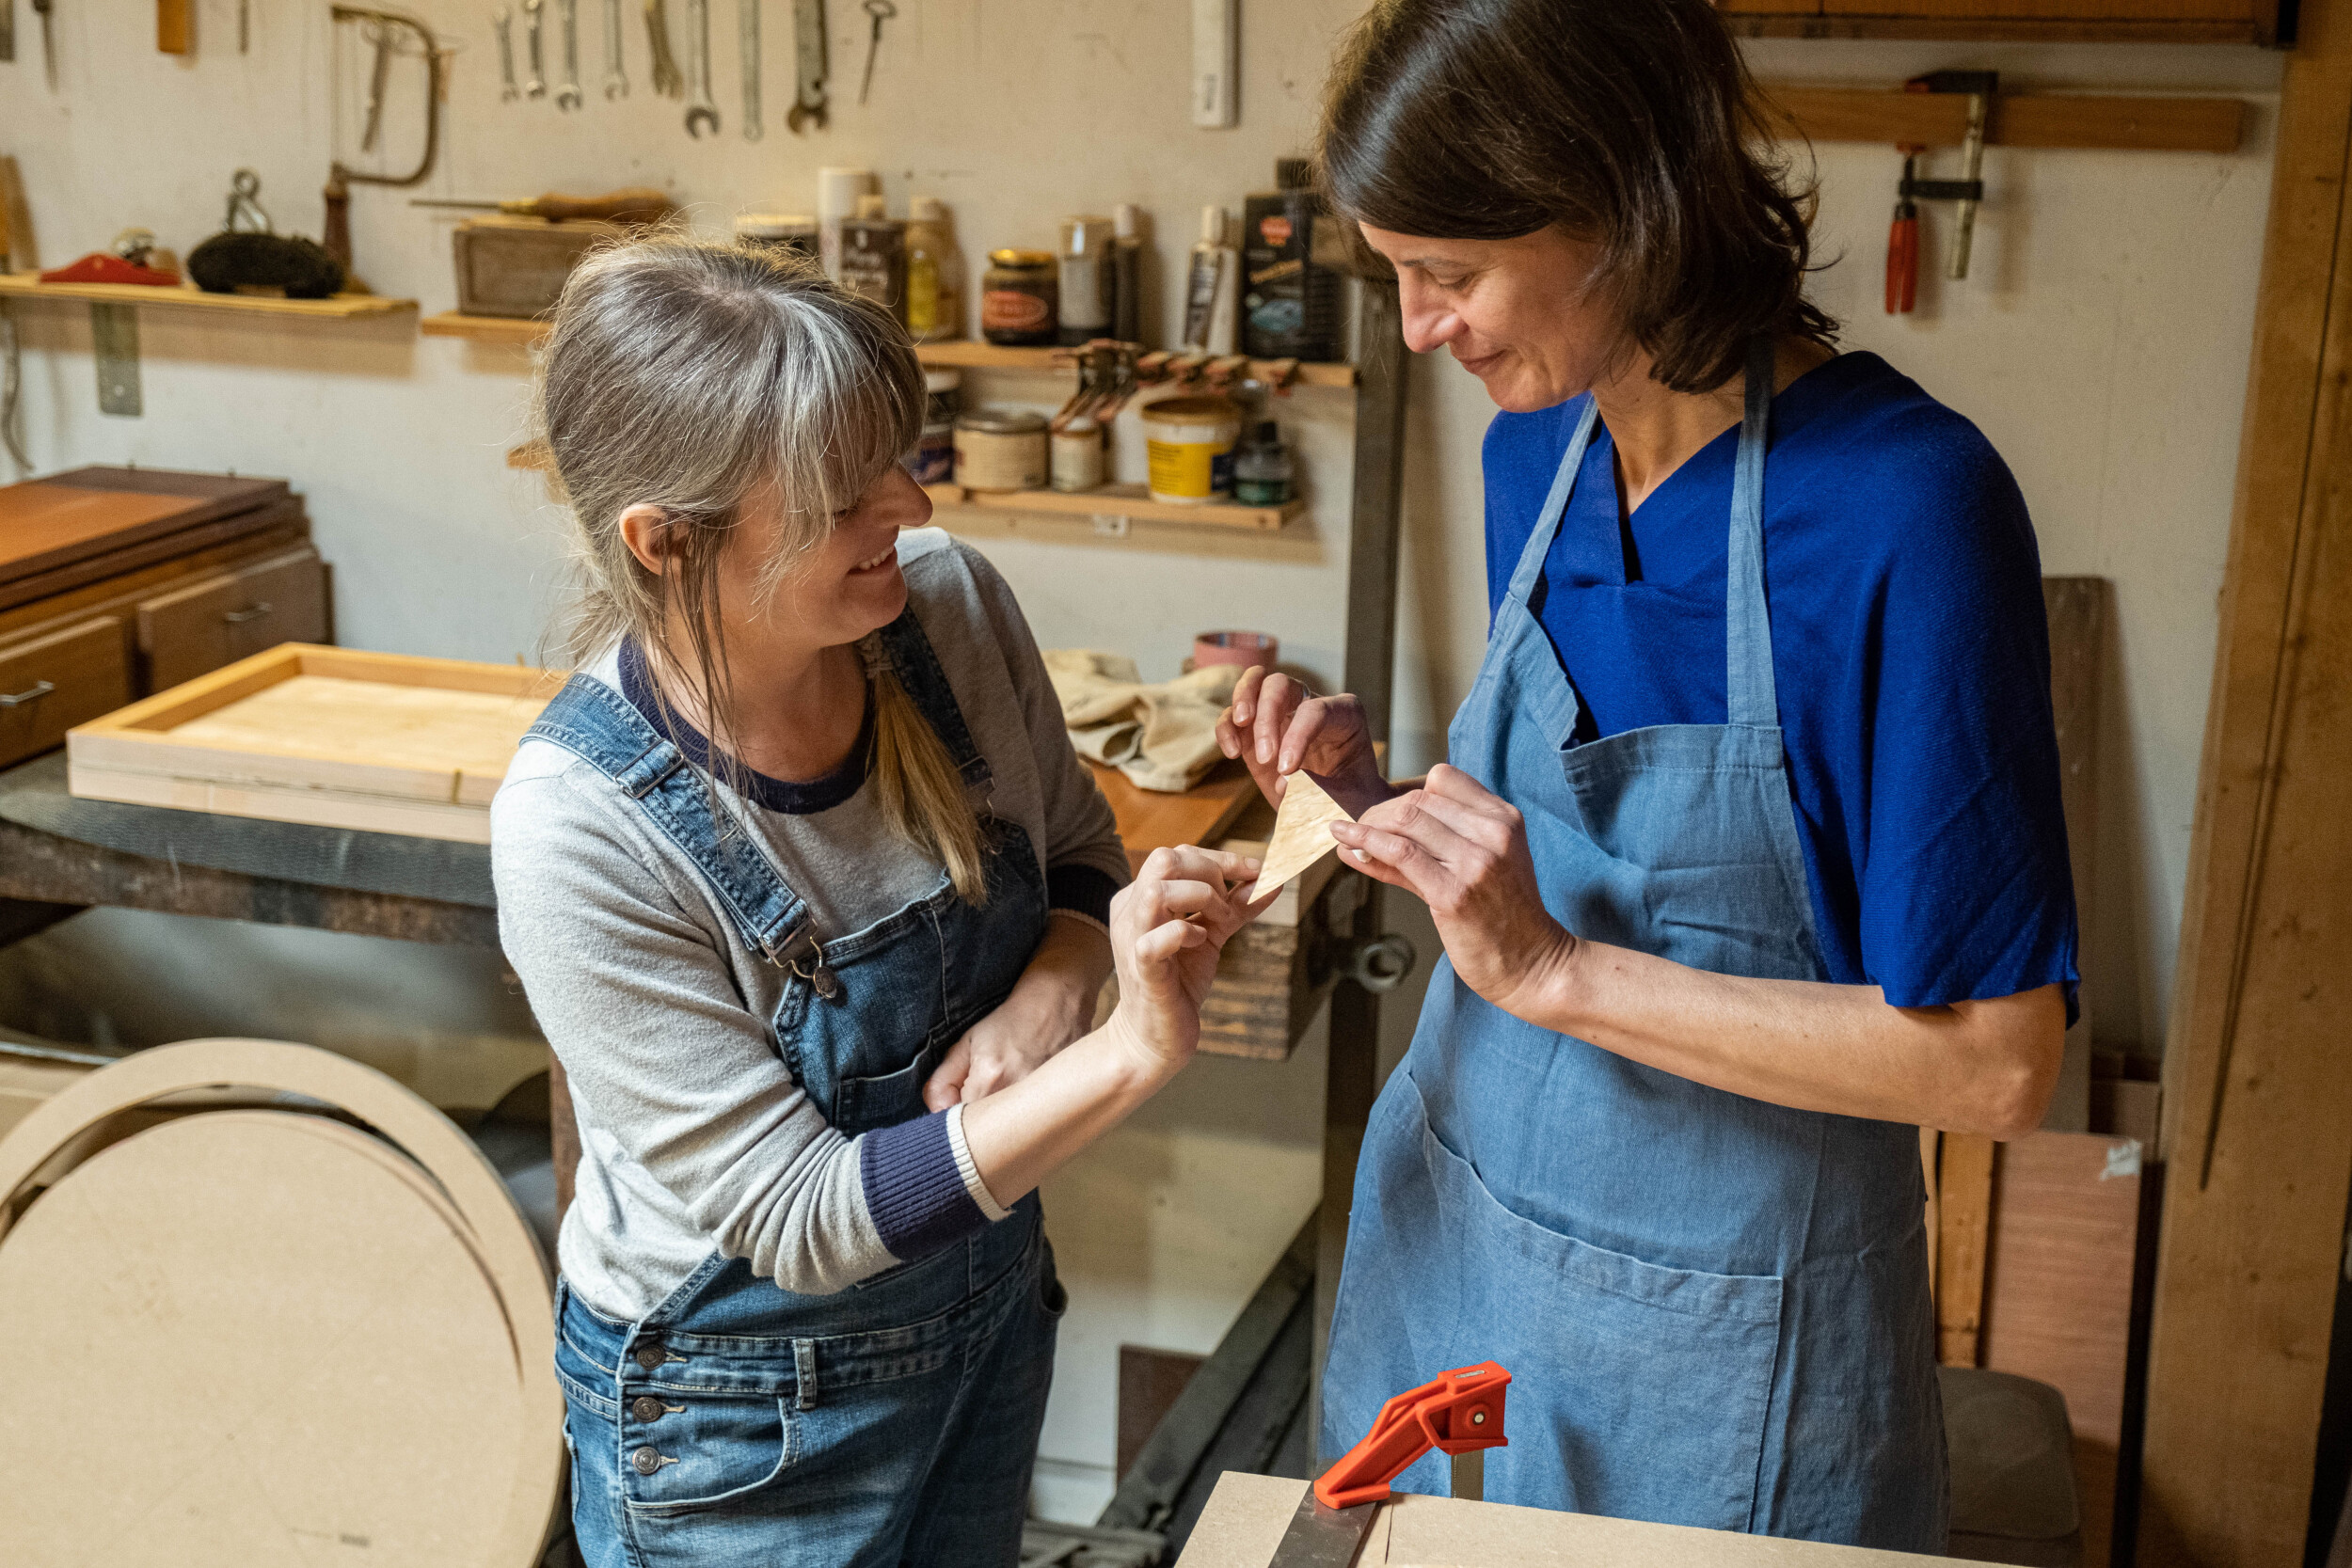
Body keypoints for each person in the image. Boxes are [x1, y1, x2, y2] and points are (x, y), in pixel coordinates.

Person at [1219, 0, 2075, 1549]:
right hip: (1460, 1236)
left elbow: (1996, 1064)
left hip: (1724, 1336)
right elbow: (1603, 841)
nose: (1418, 329)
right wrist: (1368, 798)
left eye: (1451, 274)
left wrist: (1551, 968)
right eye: (1397, 272)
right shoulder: (1530, 448)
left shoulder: (1902, 513)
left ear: (1625, 207)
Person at [492, 235, 1266, 1568]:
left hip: (985, 1327)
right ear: (667, 541)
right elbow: (801, 1219)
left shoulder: (945, 609)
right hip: (741, 1423)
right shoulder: (581, 828)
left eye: (899, 458)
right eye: (843, 493)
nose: (906, 504)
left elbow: (1076, 842)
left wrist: (1057, 988)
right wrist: (1133, 1049)